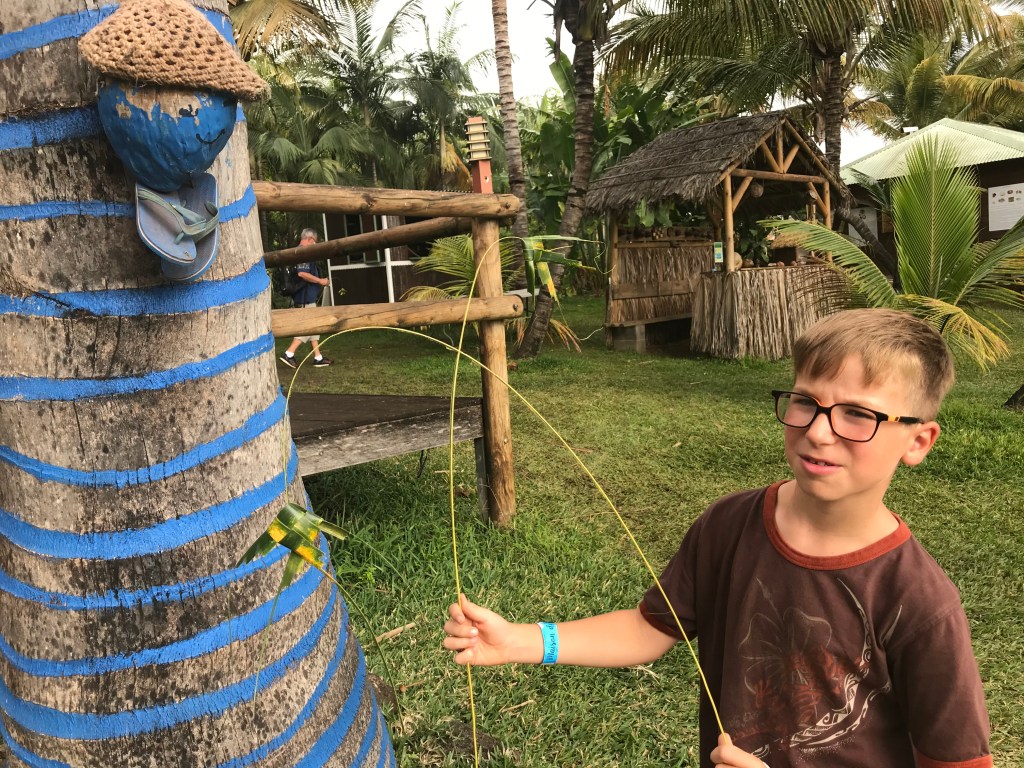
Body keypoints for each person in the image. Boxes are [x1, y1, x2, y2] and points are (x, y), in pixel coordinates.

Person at [443, 308, 992, 768]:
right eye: (805, 401)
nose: (819, 430)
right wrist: (523, 640)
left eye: (857, 414)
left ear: (918, 441)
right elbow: (647, 629)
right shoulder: (730, 524)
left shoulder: (919, 601)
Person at [279, 228, 333, 368]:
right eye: (315, 242)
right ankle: (289, 353)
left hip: (306, 297)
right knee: (308, 327)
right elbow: (302, 274)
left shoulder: (298, 252)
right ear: (309, 239)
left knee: (313, 328)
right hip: (304, 298)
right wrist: (320, 281)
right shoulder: (303, 253)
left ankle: (318, 357)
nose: (315, 245)